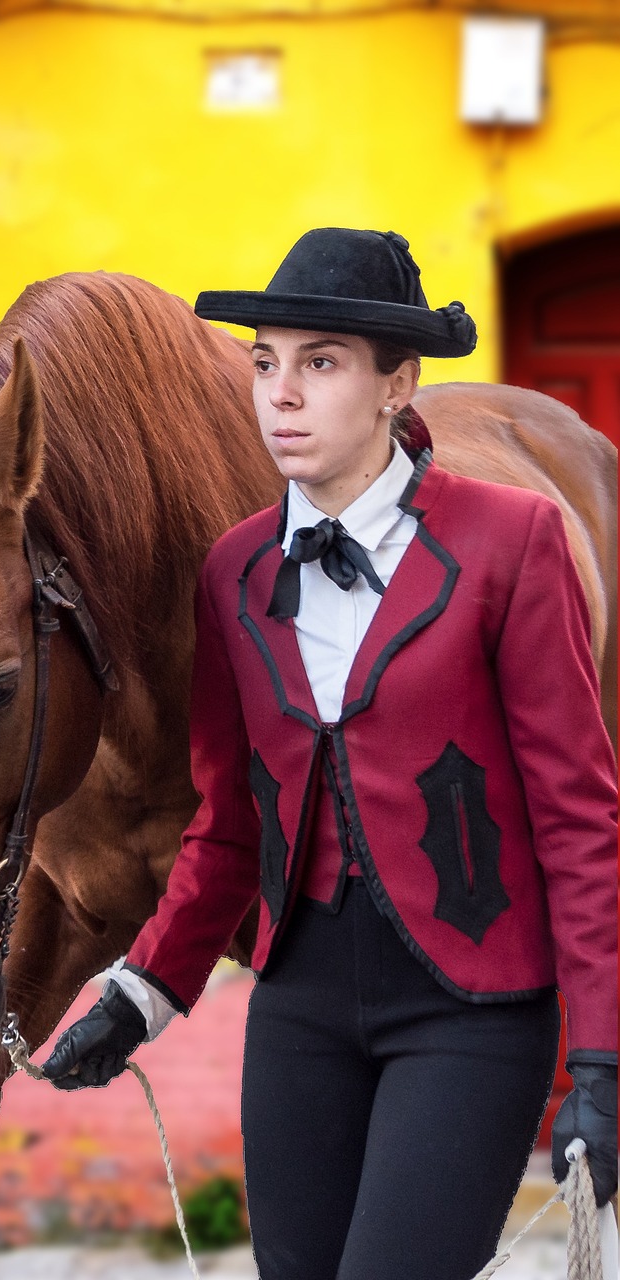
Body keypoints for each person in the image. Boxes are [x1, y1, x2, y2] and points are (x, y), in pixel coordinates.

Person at [41, 228, 618, 1280]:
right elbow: (225, 824)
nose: (281, 395)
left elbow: (579, 817)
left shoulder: (514, 541)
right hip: (298, 1010)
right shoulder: (232, 570)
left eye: (320, 362)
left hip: (473, 1009)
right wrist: (138, 995)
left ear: (397, 382)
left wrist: (601, 1056)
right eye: (266, 362)